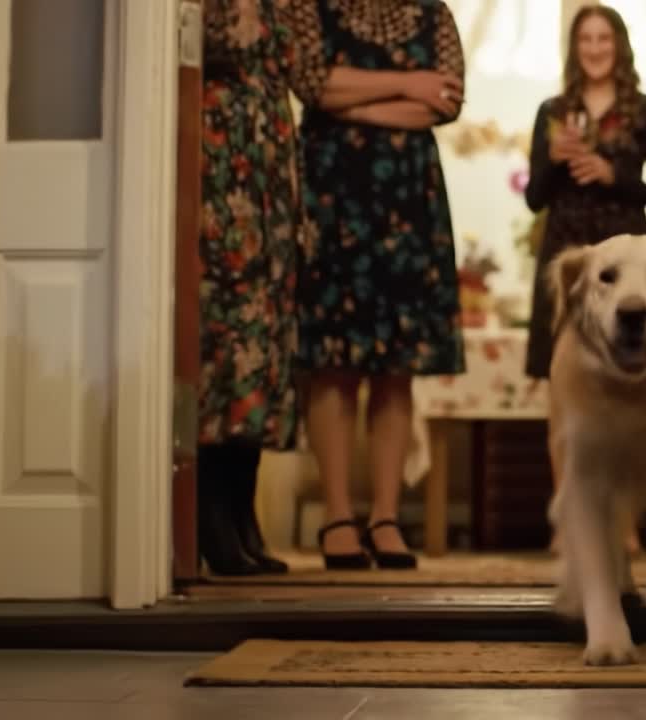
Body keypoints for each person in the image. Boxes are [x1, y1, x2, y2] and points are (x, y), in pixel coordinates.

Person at [288, 0, 468, 570]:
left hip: (407, 201)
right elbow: (313, 84)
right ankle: (338, 517)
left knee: (396, 367)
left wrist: (355, 99)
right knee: (333, 361)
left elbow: (446, 101)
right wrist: (406, 85)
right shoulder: (309, 7)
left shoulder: (431, 12)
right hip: (333, 197)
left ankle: (386, 517)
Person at [522, 4, 646, 552]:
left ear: (619, 45)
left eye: (603, 38)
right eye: (585, 39)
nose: (594, 48)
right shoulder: (553, 110)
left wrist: (615, 174)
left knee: (626, 396)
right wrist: (553, 161)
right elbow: (534, 197)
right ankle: (570, 518)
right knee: (561, 392)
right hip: (567, 264)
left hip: (624, 264)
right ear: (574, 47)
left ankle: (624, 525)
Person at [195, 0, 325, 576]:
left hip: (273, 158)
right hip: (221, 161)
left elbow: (313, 75)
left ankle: (243, 517)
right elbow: (196, 48)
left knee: (265, 348)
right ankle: (210, 518)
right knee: (223, 340)